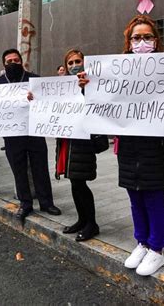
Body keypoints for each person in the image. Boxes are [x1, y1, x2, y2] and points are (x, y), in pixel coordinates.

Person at [78, 15, 164, 276]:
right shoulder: (117, 69)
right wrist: (86, 88)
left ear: (156, 41)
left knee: (153, 196)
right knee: (134, 195)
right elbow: (103, 102)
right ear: (128, 41)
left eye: (147, 37)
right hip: (129, 144)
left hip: (156, 145)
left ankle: (157, 248)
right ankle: (142, 241)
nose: (141, 42)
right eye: (136, 38)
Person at [0, 49, 61, 221]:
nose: (13, 63)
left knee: (40, 168)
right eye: (9, 61)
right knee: (19, 170)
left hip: (34, 133)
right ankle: (25, 203)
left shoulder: (35, 80)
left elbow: (48, 103)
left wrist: (36, 99)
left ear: (21, 61)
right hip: (12, 136)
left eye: (16, 60)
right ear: (4, 64)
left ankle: (46, 202)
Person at [53, 49, 107, 241]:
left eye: (78, 61)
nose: (74, 65)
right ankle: (82, 220)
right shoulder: (64, 86)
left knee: (80, 182)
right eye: (70, 63)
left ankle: (91, 224)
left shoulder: (93, 84)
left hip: (83, 140)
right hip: (68, 140)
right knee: (74, 182)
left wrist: (85, 89)